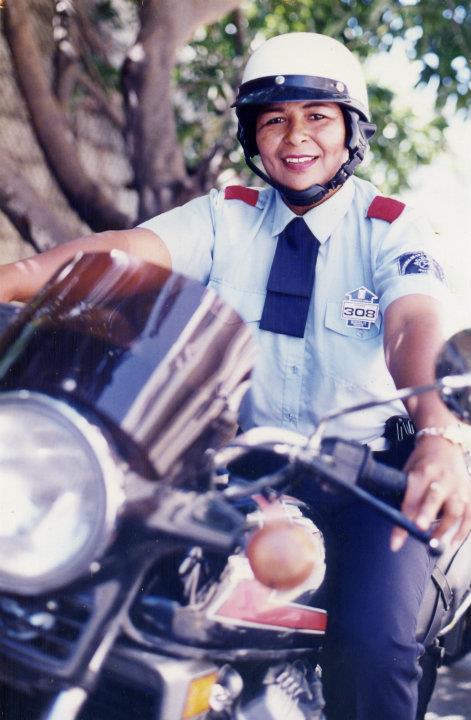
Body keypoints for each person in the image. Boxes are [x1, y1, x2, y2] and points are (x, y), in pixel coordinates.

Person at [1, 31, 470, 719]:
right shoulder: (226, 216)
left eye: (316, 116)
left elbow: (410, 328)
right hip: (232, 468)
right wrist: (13, 281)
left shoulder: (389, 227)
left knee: (374, 645)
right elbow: (118, 257)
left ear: (351, 131)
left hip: (365, 482)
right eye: (273, 119)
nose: (294, 136)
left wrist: (436, 431)